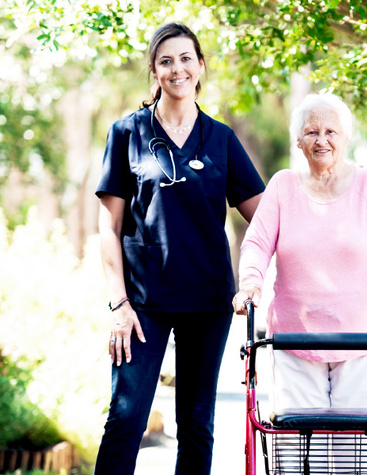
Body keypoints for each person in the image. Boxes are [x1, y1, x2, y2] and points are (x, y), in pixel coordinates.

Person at [94, 22, 265, 475]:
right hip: (142, 304)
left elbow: (266, 219)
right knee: (126, 419)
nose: (177, 69)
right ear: (154, 70)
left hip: (208, 302)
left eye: (186, 58)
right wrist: (118, 304)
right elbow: (107, 228)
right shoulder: (127, 133)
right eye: (166, 60)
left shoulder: (222, 139)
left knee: (196, 425)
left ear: (200, 65)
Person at [233, 92, 367, 413]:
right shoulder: (282, 187)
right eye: (312, 132)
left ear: (346, 137)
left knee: (359, 454)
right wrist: (250, 285)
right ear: (298, 141)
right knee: (295, 453)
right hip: (293, 343)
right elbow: (257, 244)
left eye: (330, 131)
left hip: (362, 343)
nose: (322, 140)